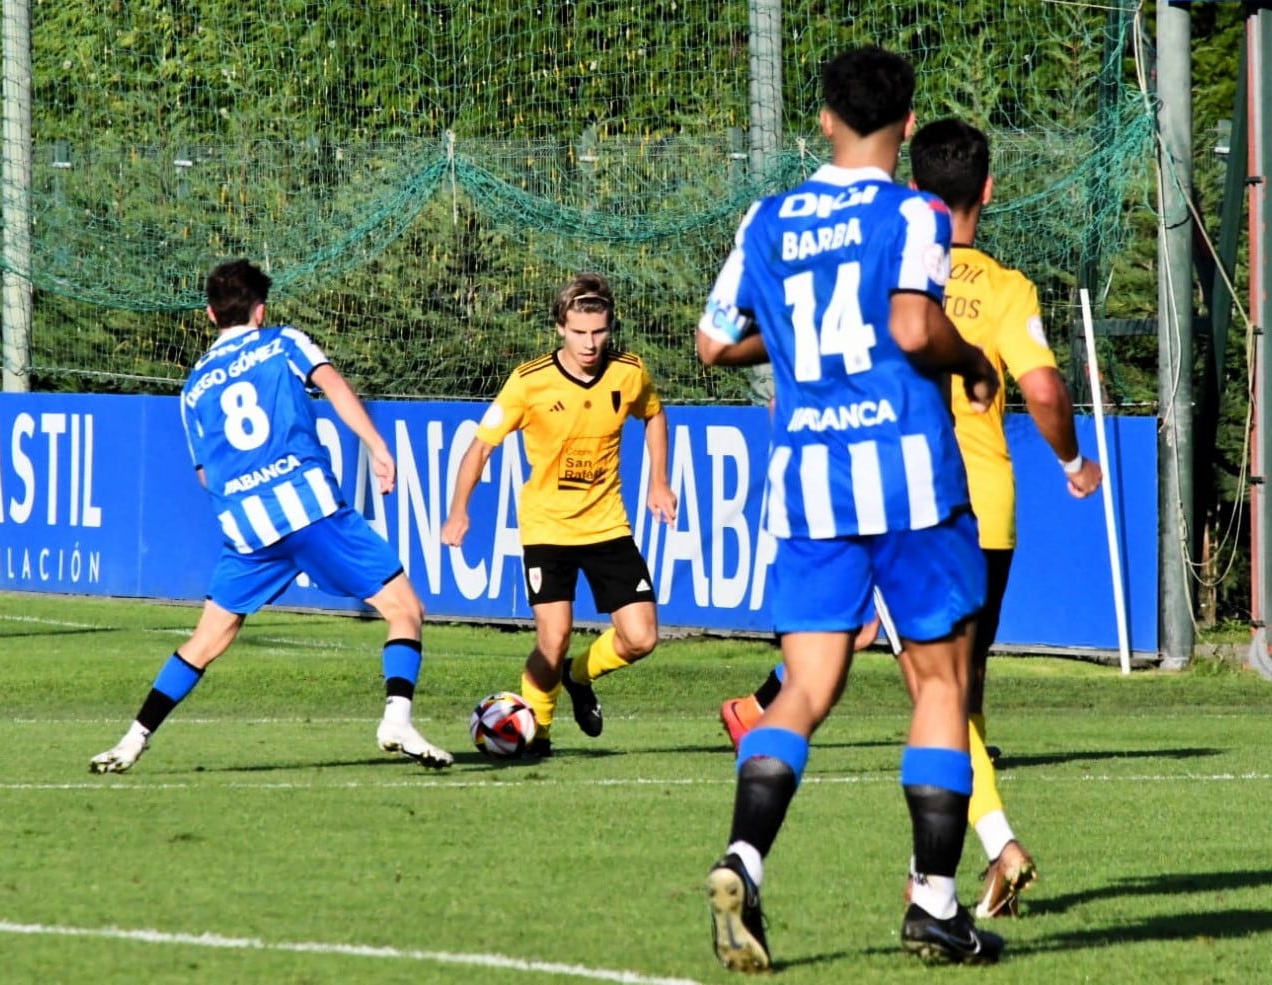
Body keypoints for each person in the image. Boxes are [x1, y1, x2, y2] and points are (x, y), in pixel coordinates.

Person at [717, 118, 1104, 920]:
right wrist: (1070, 462)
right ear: (987, 190)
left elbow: (730, 339)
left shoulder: (864, 256)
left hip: (871, 491)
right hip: (971, 508)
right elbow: (1035, 387)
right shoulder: (999, 286)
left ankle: (978, 849)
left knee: (901, 689)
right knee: (950, 687)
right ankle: (953, 869)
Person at [695, 48, 1004, 970]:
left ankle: (742, 859)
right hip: (908, 476)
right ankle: (936, 905)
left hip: (807, 483)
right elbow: (912, 326)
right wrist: (972, 362)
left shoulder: (768, 217)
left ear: (823, 118)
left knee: (806, 689)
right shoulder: (912, 209)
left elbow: (712, 342)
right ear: (907, 128)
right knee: (942, 685)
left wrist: (789, 345)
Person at [89, 259, 453, 774]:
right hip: (311, 509)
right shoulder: (283, 342)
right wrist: (376, 446)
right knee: (404, 609)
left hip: (248, 529)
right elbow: (335, 387)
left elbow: (204, 475)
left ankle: (133, 739)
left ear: (211, 314)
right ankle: (396, 717)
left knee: (208, 638)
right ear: (261, 311)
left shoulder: (193, 387)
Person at [441, 273, 677, 757]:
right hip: (547, 527)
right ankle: (538, 734)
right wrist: (458, 510)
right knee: (554, 635)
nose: (590, 343)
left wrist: (659, 481)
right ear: (559, 329)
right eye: (579, 332)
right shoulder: (529, 383)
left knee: (642, 638)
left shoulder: (629, 372)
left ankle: (577, 675)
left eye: (599, 332)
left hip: (608, 524)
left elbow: (653, 412)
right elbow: (480, 448)